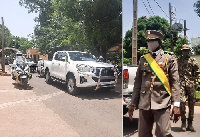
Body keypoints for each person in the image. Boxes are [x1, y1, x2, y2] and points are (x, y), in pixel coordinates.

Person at [128, 30, 181, 137]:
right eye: (148, 41)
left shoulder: (169, 58)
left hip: (162, 101)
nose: (149, 43)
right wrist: (132, 103)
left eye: (152, 40)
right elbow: (137, 83)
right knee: (143, 134)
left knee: (163, 133)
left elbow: (175, 82)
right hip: (144, 103)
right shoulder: (143, 59)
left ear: (158, 41)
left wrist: (176, 104)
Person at [178, 44, 200, 132]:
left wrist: (199, 82)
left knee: (191, 104)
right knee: (182, 102)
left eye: (186, 50)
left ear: (189, 51)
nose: (185, 52)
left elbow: (198, 72)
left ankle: (190, 123)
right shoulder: (178, 60)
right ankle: (183, 122)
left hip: (191, 84)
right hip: (181, 85)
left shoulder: (193, 60)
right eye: (183, 50)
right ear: (182, 51)